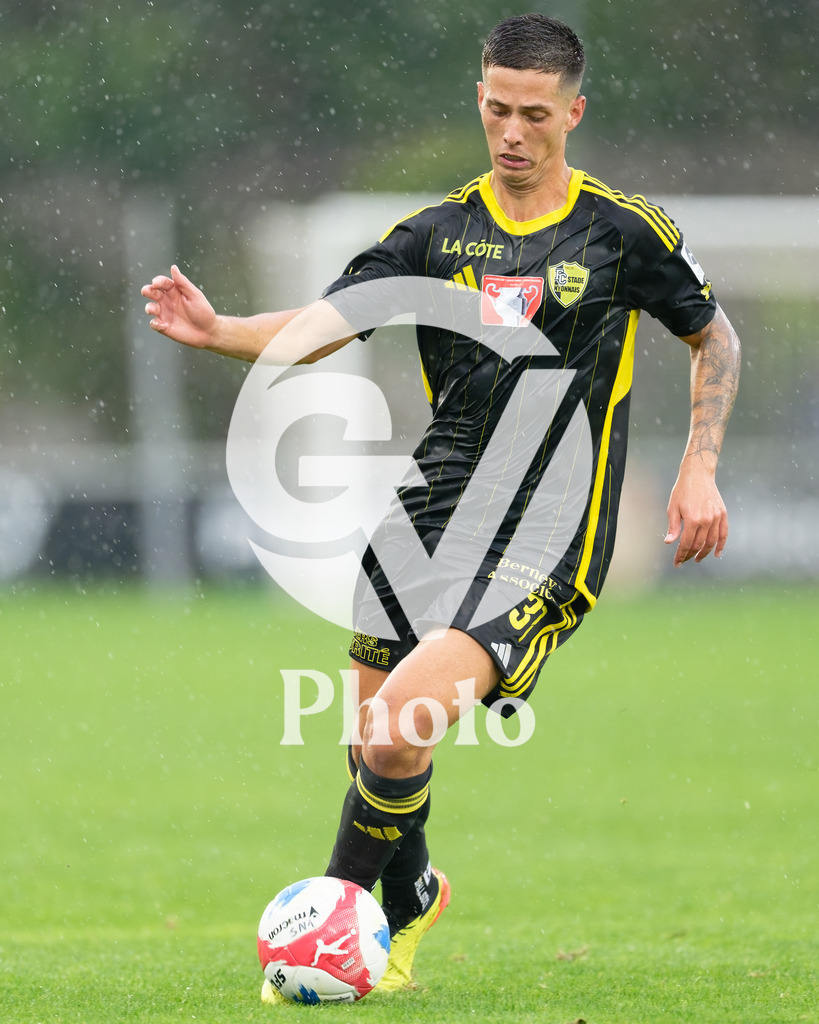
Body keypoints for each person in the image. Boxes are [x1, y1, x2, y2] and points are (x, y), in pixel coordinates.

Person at [141, 13, 741, 1001]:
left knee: (392, 733)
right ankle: (413, 889)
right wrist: (218, 331)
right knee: (375, 744)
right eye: (498, 109)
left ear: (573, 114)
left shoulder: (622, 232)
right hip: (428, 516)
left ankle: (332, 918)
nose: (513, 132)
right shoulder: (436, 233)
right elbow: (323, 326)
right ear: (480, 100)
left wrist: (699, 465)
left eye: (535, 114)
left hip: (547, 537)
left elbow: (713, 337)